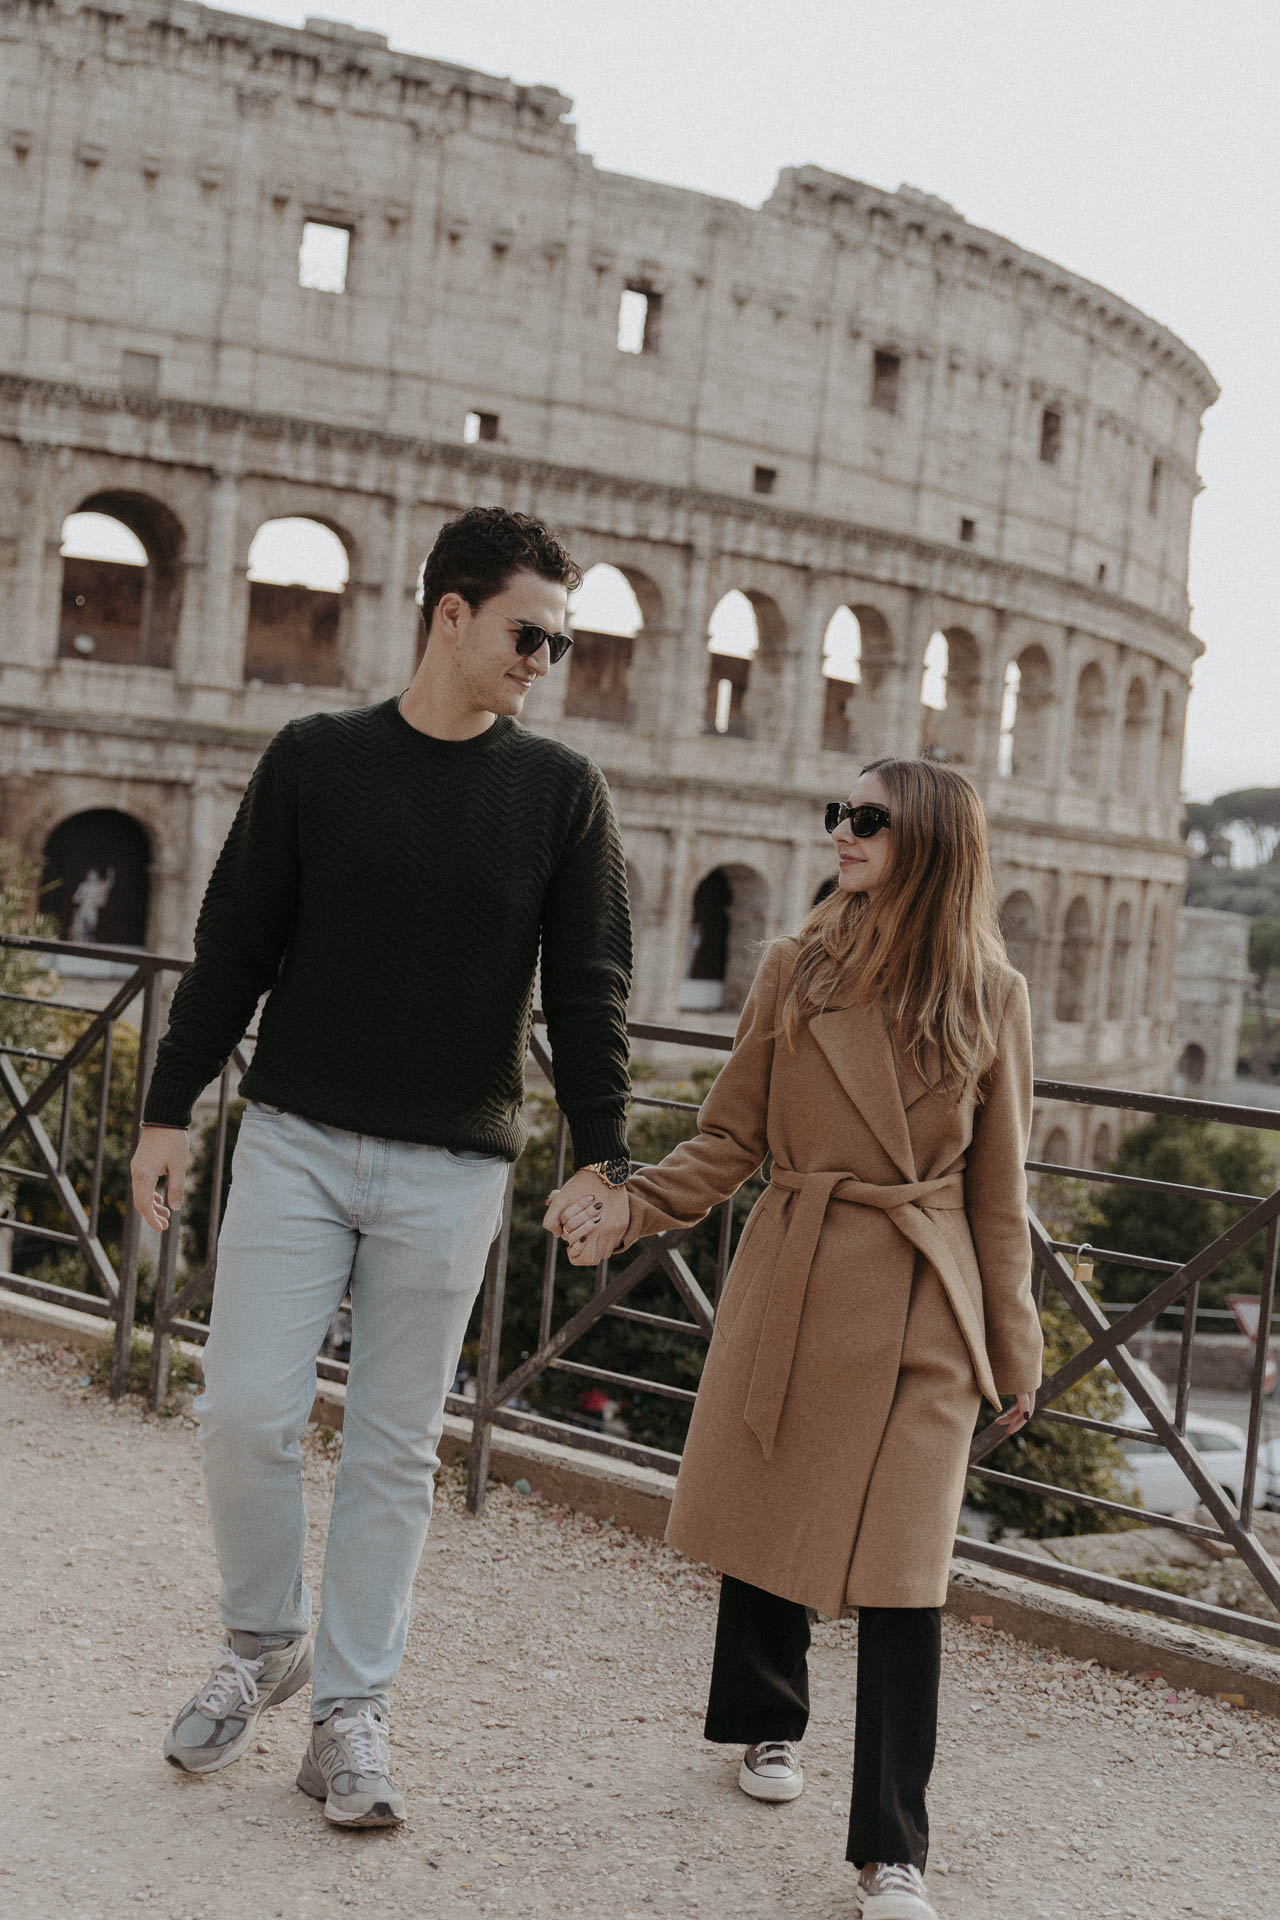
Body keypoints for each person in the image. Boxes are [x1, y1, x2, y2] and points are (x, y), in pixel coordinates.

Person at [131, 506, 634, 1828]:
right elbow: (233, 940)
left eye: (561, 641)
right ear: (451, 613)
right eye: (530, 632)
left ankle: (351, 1713)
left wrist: (606, 1153)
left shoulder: (562, 791)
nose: (545, 659)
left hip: (456, 1167)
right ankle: (263, 1643)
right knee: (243, 1412)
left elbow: (591, 992)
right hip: (294, 1137)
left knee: (393, 1455)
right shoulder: (314, 760)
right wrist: (168, 1107)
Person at [549, 758, 1041, 1920]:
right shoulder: (792, 970)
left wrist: (1010, 1352)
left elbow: (998, 1188)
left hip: (924, 1291)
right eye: (836, 812)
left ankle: (891, 1849)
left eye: (865, 818)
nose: (840, 832)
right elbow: (729, 1138)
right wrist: (629, 1204)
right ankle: (768, 1718)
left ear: (926, 841)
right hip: (805, 1266)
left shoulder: (991, 994)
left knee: (906, 1575)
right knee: (777, 1495)